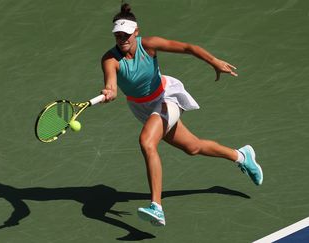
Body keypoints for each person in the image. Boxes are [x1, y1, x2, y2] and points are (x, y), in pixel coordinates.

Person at [100, 3, 263, 227]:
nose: (122, 39)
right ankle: (242, 156)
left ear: (136, 32)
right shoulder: (110, 60)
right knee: (193, 147)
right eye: (118, 35)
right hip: (142, 108)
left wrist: (214, 61)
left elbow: (187, 47)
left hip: (167, 98)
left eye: (126, 34)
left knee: (147, 143)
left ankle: (156, 206)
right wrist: (109, 91)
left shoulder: (149, 45)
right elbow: (112, 85)